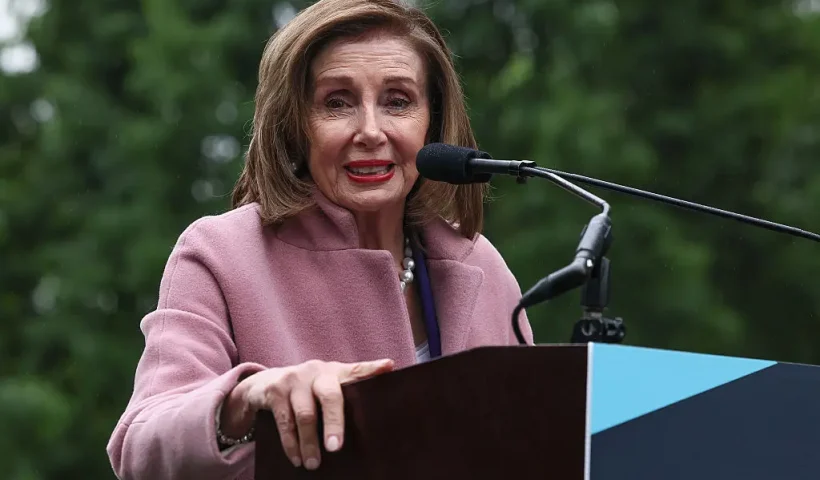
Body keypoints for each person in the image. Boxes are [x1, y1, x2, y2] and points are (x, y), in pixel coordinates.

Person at [106, 0, 533, 478]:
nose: (370, 131)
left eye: (397, 101)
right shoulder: (219, 254)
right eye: (337, 103)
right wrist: (245, 400)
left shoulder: (482, 267)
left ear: (431, 122)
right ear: (294, 124)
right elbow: (140, 447)